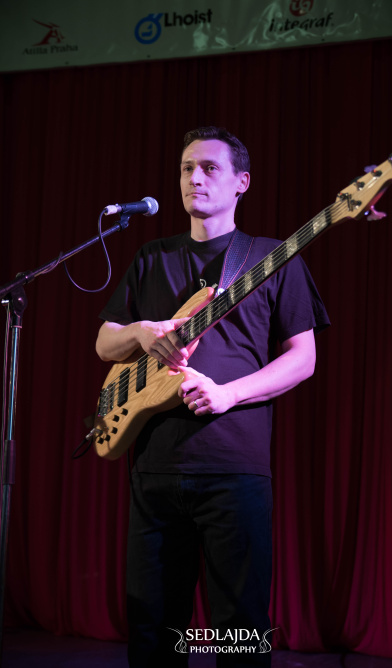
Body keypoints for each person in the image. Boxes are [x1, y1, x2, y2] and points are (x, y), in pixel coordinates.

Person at [95, 126, 329, 667]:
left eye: (209, 168)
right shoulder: (152, 256)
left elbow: (304, 358)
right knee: (153, 632)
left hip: (233, 468)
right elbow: (105, 342)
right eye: (186, 168)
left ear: (242, 182)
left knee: (238, 631)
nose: (194, 178)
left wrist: (228, 394)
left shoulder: (271, 258)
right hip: (153, 467)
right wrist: (141, 332)